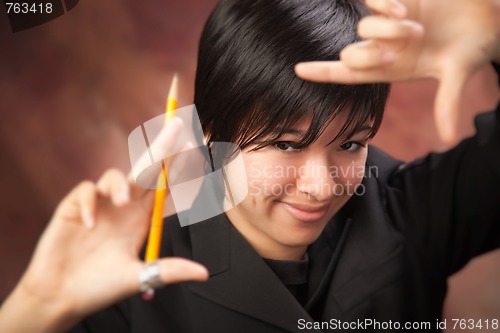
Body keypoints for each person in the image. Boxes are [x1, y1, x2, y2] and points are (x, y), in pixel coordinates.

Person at [0, 0, 499, 332]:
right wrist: (37, 307)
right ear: (212, 130)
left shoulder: (407, 209)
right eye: (284, 145)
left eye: (350, 144)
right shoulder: (126, 274)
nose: (320, 185)